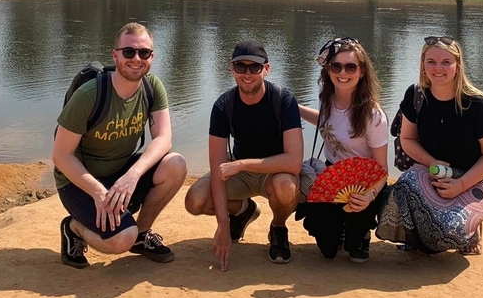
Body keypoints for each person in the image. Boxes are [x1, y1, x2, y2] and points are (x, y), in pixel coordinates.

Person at [52, 22, 187, 269]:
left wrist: (133, 176)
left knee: (175, 164)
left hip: (121, 174)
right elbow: (61, 156)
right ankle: (74, 228)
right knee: (121, 239)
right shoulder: (89, 95)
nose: (136, 59)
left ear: (152, 57)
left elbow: (163, 138)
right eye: (128, 52)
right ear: (115, 55)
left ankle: (142, 234)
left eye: (144, 53)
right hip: (80, 182)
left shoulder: (152, 86)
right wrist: (98, 192)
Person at [184, 40, 303, 270]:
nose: (247, 74)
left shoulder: (284, 100)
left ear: (266, 69)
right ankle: (243, 210)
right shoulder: (223, 105)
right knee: (195, 200)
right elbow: (218, 166)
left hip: (274, 172)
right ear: (232, 69)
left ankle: (278, 228)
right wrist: (222, 225)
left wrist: (241, 164)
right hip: (239, 173)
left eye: (254, 68)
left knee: (286, 188)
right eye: (241, 67)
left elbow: (294, 162)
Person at [386, 36, 483, 255]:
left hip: (475, 178)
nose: (438, 68)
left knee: (451, 231)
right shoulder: (415, 95)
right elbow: (407, 139)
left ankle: (471, 230)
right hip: (433, 171)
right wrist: (431, 162)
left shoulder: (478, 105)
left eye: (446, 62)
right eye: (431, 62)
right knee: (406, 183)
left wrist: (461, 185)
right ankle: (417, 238)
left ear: (457, 66)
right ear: (423, 65)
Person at [296, 37, 389, 263]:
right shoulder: (326, 96)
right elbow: (329, 123)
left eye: (350, 66)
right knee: (327, 249)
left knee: (354, 251)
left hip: (365, 182)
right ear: (328, 70)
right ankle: (338, 227)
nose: (342, 72)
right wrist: (294, 108)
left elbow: (383, 169)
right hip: (332, 175)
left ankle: (361, 232)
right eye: (336, 66)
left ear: (362, 71)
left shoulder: (372, 115)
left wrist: (368, 196)